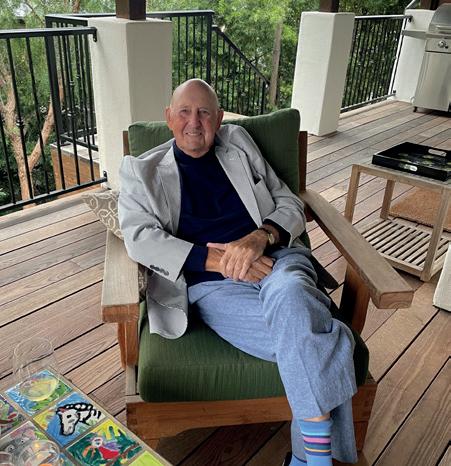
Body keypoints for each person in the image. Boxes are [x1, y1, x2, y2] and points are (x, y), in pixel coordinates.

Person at [118, 79, 358, 465]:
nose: (194, 122)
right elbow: (140, 238)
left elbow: (290, 204)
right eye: (184, 112)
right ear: (168, 117)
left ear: (219, 119)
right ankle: (312, 458)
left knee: (293, 298)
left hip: (278, 262)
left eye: (204, 112)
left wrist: (260, 237)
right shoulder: (140, 170)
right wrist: (220, 261)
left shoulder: (239, 144)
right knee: (316, 333)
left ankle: (311, 460)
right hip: (214, 286)